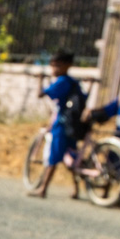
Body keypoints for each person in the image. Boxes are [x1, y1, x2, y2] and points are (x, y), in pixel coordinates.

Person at [33, 49, 88, 199]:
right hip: (73, 125)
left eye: (57, 65)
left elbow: (40, 94)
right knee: (70, 157)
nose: (54, 69)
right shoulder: (73, 82)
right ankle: (76, 189)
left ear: (67, 65)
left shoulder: (62, 81)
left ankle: (43, 188)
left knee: (54, 156)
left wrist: (40, 80)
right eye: (52, 65)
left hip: (62, 124)